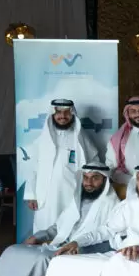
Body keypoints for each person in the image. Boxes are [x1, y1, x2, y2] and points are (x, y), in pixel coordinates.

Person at [24, 99, 99, 232]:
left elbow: (94, 163)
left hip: (71, 195)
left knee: (69, 230)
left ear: (72, 114)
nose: (63, 116)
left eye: (66, 112)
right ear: (53, 114)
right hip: (46, 197)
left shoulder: (81, 138)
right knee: (45, 231)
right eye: (58, 112)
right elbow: (32, 169)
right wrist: (31, 195)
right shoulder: (42, 140)